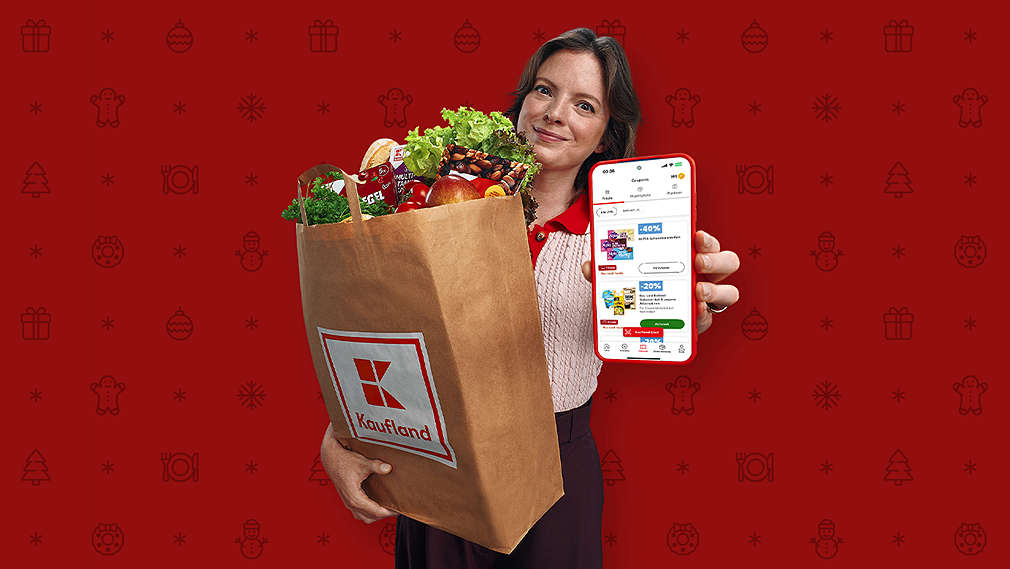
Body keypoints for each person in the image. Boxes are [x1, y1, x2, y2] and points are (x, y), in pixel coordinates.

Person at [319, 27, 741, 568]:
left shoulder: (618, 237)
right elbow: (379, 334)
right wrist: (341, 438)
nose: (554, 113)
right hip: (447, 461)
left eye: (584, 104)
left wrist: (690, 305)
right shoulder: (435, 210)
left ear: (607, 136)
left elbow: (657, 316)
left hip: (561, 468)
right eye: (544, 90)